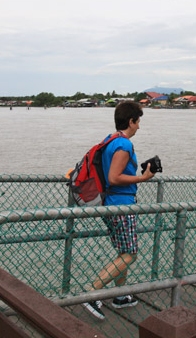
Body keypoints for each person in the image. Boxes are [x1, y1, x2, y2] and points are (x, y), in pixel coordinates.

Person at [83, 101, 155, 320]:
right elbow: (114, 177)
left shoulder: (109, 140)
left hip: (109, 203)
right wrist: (143, 177)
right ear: (131, 121)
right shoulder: (123, 144)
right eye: (138, 122)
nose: (139, 127)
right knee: (130, 254)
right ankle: (91, 293)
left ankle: (120, 296)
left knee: (123, 251)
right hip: (121, 205)